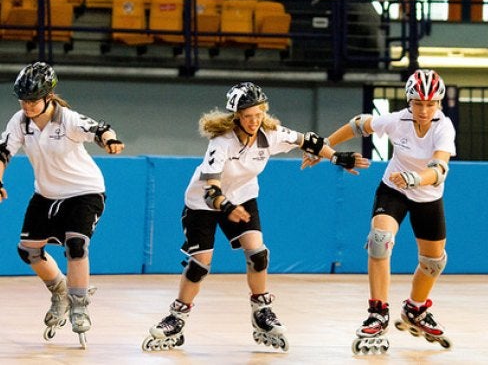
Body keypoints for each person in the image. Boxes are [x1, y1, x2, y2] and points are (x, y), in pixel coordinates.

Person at [142, 81, 369, 352]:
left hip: (243, 197)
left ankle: (262, 310)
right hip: (204, 203)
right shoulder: (221, 142)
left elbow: (308, 141)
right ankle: (176, 317)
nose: (254, 121)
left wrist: (336, 157)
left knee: (258, 253)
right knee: (200, 265)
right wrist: (226, 207)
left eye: (259, 114)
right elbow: (211, 190)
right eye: (248, 116)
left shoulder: (270, 135)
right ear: (237, 116)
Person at [304, 69, 456, 353]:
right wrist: (324, 147)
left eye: (430, 104)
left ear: (438, 103)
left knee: (433, 262)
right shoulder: (398, 120)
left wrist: (415, 178)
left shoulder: (443, 127)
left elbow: (440, 169)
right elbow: (358, 124)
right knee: (379, 240)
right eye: (418, 103)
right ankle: (378, 312)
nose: (424, 110)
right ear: (409, 101)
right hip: (394, 190)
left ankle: (416, 309)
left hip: (427, 195)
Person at [0, 61, 125, 347]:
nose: (27, 106)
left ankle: (79, 305)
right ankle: (60, 291)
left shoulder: (67, 119)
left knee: (76, 245)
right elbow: (3, 151)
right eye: (23, 100)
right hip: (47, 194)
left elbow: (99, 129)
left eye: (33, 100)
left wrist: (110, 141)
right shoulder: (20, 121)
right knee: (28, 251)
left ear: (49, 97)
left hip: (85, 190)